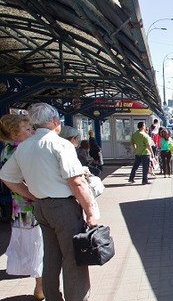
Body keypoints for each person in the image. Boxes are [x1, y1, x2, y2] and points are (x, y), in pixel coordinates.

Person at [0, 103, 97, 301]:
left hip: (41, 208)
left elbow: (7, 176)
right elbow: (76, 182)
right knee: (73, 258)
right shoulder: (61, 144)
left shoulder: (24, 147)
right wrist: (90, 211)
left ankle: (53, 297)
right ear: (54, 121)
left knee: (51, 256)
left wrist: (32, 195)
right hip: (63, 208)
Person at [0, 113, 44, 300]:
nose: (32, 131)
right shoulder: (21, 150)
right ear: (15, 134)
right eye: (27, 129)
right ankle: (41, 288)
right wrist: (35, 196)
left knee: (32, 247)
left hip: (19, 210)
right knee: (39, 248)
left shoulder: (6, 150)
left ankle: (40, 286)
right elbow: (15, 179)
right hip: (31, 208)